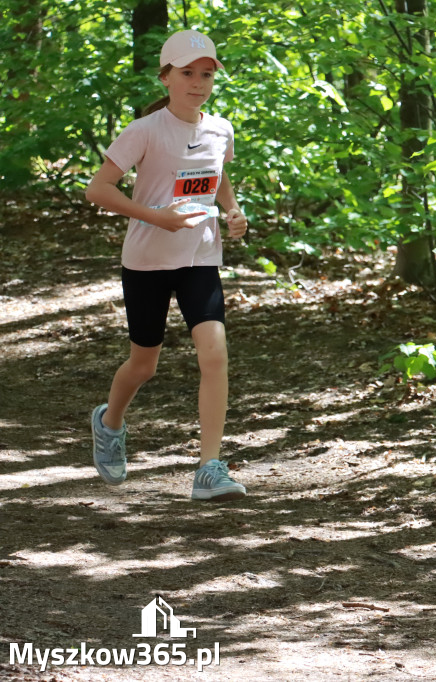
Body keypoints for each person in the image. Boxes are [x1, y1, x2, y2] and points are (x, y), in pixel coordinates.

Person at [85, 29, 248, 502]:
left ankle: (209, 468)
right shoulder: (144, 130)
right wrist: (156, 216)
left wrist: (235, 213)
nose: (198, 83)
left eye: (206, 74)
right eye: (187, 73)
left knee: (214, 352)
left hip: (199, 256)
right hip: (148, 260)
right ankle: (109, 422)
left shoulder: (220, 128)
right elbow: (98, 190)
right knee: (144, 364)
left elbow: (219, 182)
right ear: (166, 77)